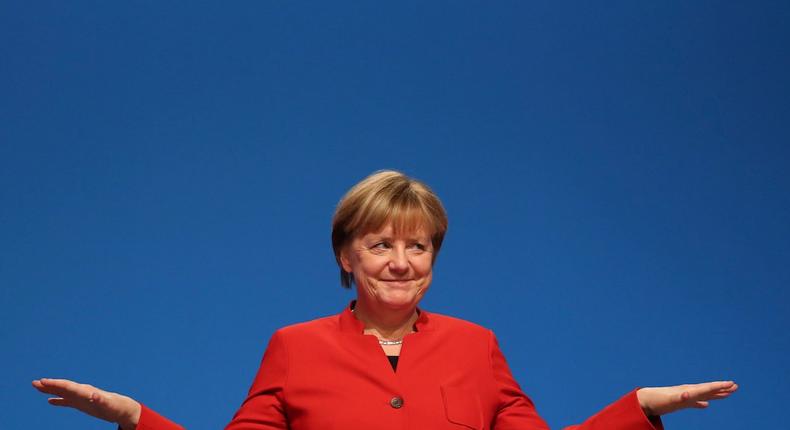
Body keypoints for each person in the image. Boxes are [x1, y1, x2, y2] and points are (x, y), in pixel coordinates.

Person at [33, 170, 738, 429]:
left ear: (434, 258)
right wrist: (133, 418)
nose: (401, 263)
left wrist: (638, 406)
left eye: (418, 247)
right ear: (346, 255)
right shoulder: (294, 346)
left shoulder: (476, 345)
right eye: (380, 245)